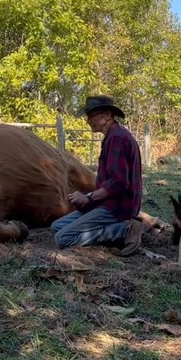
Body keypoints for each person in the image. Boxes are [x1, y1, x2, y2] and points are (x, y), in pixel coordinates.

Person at [50, 95, 149, 256]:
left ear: (107, 116)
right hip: (107, 202)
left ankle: (125, 230)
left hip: (117, 206)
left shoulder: (117, 138)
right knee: (56, 227)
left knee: (63, 238)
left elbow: (118, 183)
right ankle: (110, 229)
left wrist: (88, 198)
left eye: (91, 116)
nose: (88, 120)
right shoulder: (113, 136)